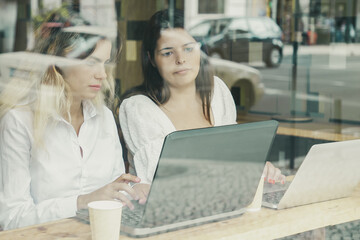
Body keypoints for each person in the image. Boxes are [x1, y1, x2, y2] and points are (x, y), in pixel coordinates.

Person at [119, 9, 285, 199]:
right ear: (152, 60)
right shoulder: (138, 109)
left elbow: (234, 157)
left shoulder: (216, 92)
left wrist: (257, 168)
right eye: (167, 53)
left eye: (188, 48)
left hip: (222, 203)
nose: (180, 59)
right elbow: (163, 184)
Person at [0, 22, 144, 230]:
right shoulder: (18, 121)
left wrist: (134, 194)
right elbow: (11, 218)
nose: (102, 75)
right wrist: (83, 202)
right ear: (57, 63)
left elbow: (115, 193)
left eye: (105, 63)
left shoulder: (103, 116)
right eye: (91, 62)